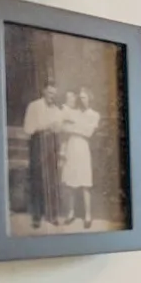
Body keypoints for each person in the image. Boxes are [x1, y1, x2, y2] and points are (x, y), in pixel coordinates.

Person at [20, 83, 65, 230]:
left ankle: (52, 215)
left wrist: (57, 128)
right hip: (38, 143)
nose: (52, 96)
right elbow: (28, 128)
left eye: (54, 94)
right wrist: (46, 126)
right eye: (50, 93)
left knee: (51, 180)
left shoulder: (57, 110)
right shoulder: (34, 106)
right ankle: (36, 217)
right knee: (37, 179)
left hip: (52, 145)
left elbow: (59, 128)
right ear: (44, 91)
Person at [58, 88, 101, 228]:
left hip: (83, 148)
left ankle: (88, 215)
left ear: (89, 98)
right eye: (80, 97)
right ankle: (70, 213)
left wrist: (73, 127)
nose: (81, 100)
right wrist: (77, 127)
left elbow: (88, 133)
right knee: (70, 183)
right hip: (71, 147)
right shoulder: (74, 112)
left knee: (85, 183)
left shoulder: (94, 115)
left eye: (84, 97)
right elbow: (63, 127)